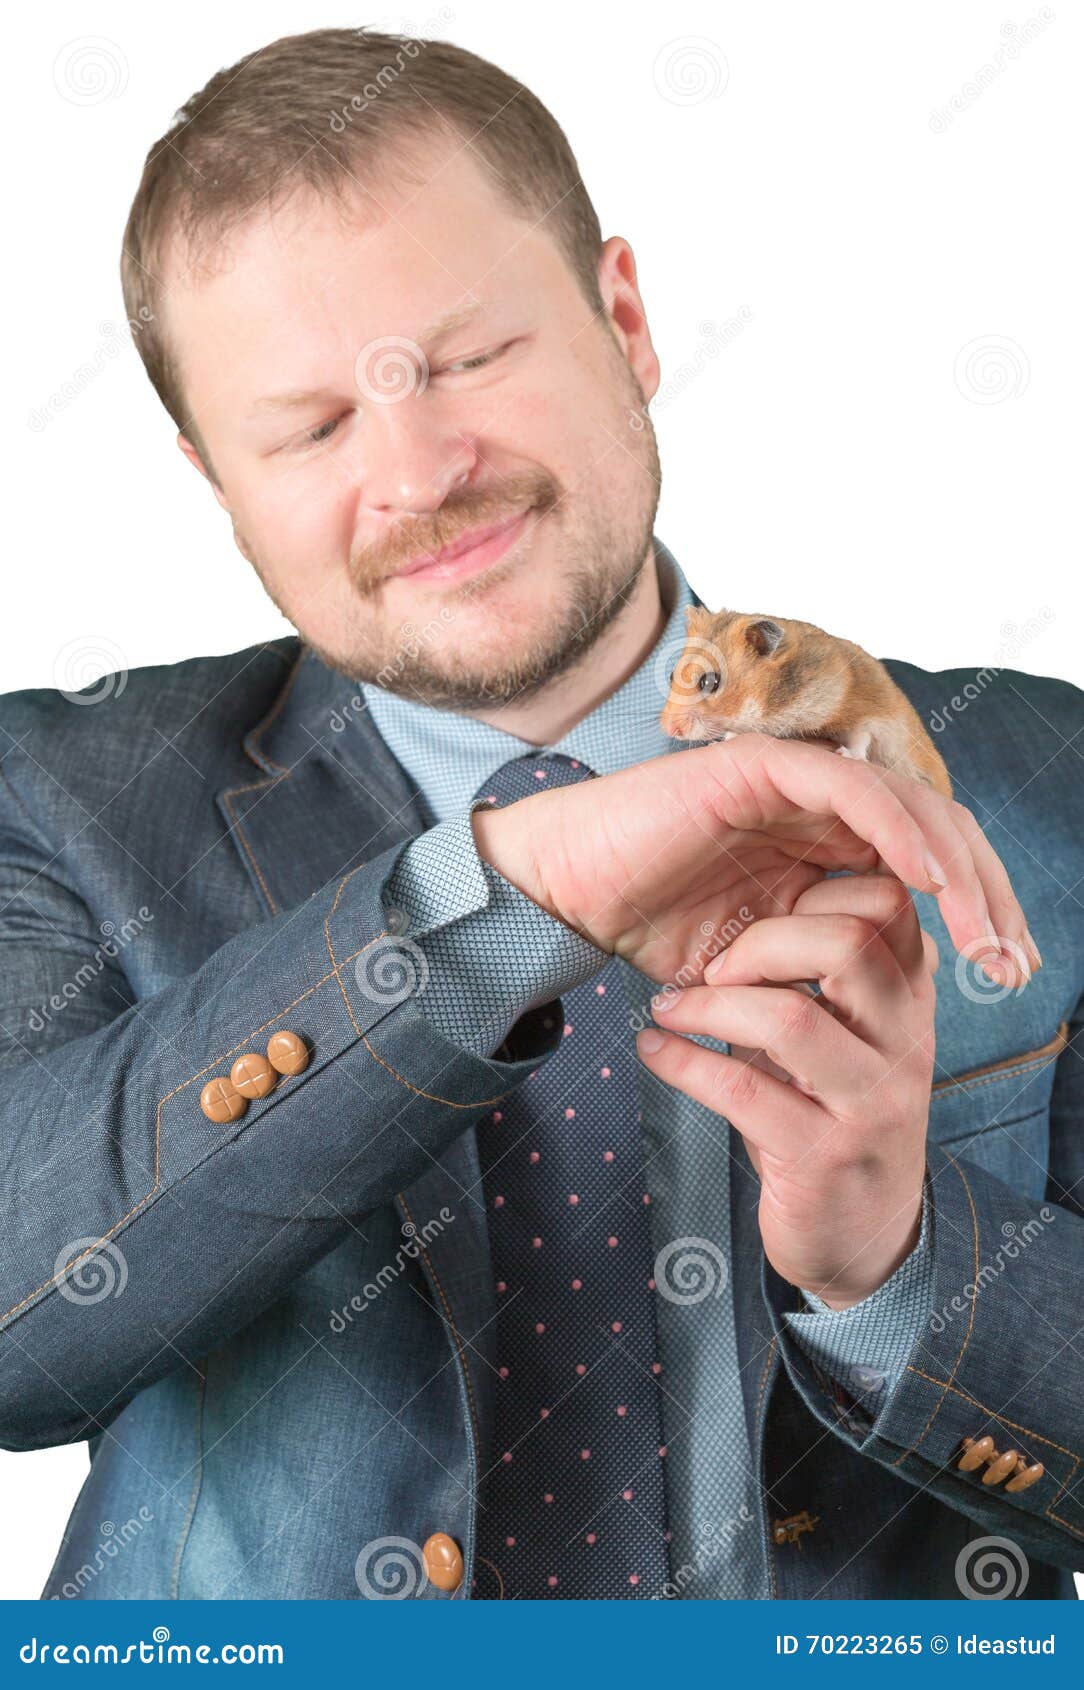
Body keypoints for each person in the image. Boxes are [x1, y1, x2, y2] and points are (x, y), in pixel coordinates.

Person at [1, 27, 1080, 1602]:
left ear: (624, 319)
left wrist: (902, 1267)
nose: (422, 472)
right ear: (218, 483)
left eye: (470, 360)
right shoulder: (61, 792)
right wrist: (501, 899)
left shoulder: (1049, 775)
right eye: (311, 428)